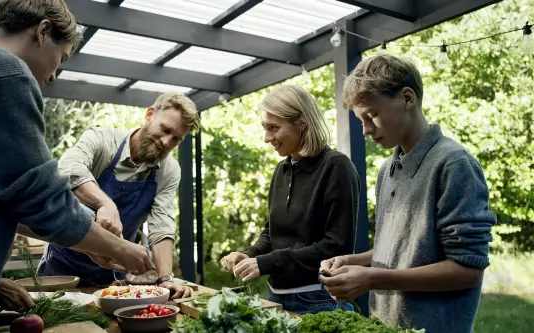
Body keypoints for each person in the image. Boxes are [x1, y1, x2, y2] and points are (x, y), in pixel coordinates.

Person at [0, 0, 154, 331]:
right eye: (62, 58)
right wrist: (121, 248)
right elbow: (40, 200)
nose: (54, 75)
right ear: (42, 32)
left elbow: (3, 197)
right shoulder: (2, 72)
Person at [319, 54, 496, 333]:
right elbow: (404, 250)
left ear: (407, 98)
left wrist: (373, 279)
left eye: (372, 115)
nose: (365, 130)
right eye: (360, 119)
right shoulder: (387, 168)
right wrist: (353, 262)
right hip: (385, 326)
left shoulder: (454, 165)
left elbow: (468, 271)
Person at [37, 92, 200, 298]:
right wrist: (106, 203)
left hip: (113, 276)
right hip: (61, 268)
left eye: (176, 139)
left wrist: (165, 278)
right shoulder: (101, 140)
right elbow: (68, 169)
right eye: (165, 130)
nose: (167, 142)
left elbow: (162, 225)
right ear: (150, 114)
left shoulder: (168, 171)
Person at [220, 85, 360, 315]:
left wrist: (267, 263)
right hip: (275, 297)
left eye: (274, 128)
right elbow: (271, 232)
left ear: (302, 122)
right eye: (265, 129)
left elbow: (336, 246)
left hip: (318, 300)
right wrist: (250, 254)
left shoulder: (336, 167)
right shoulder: (281, 170)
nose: (267, 138)